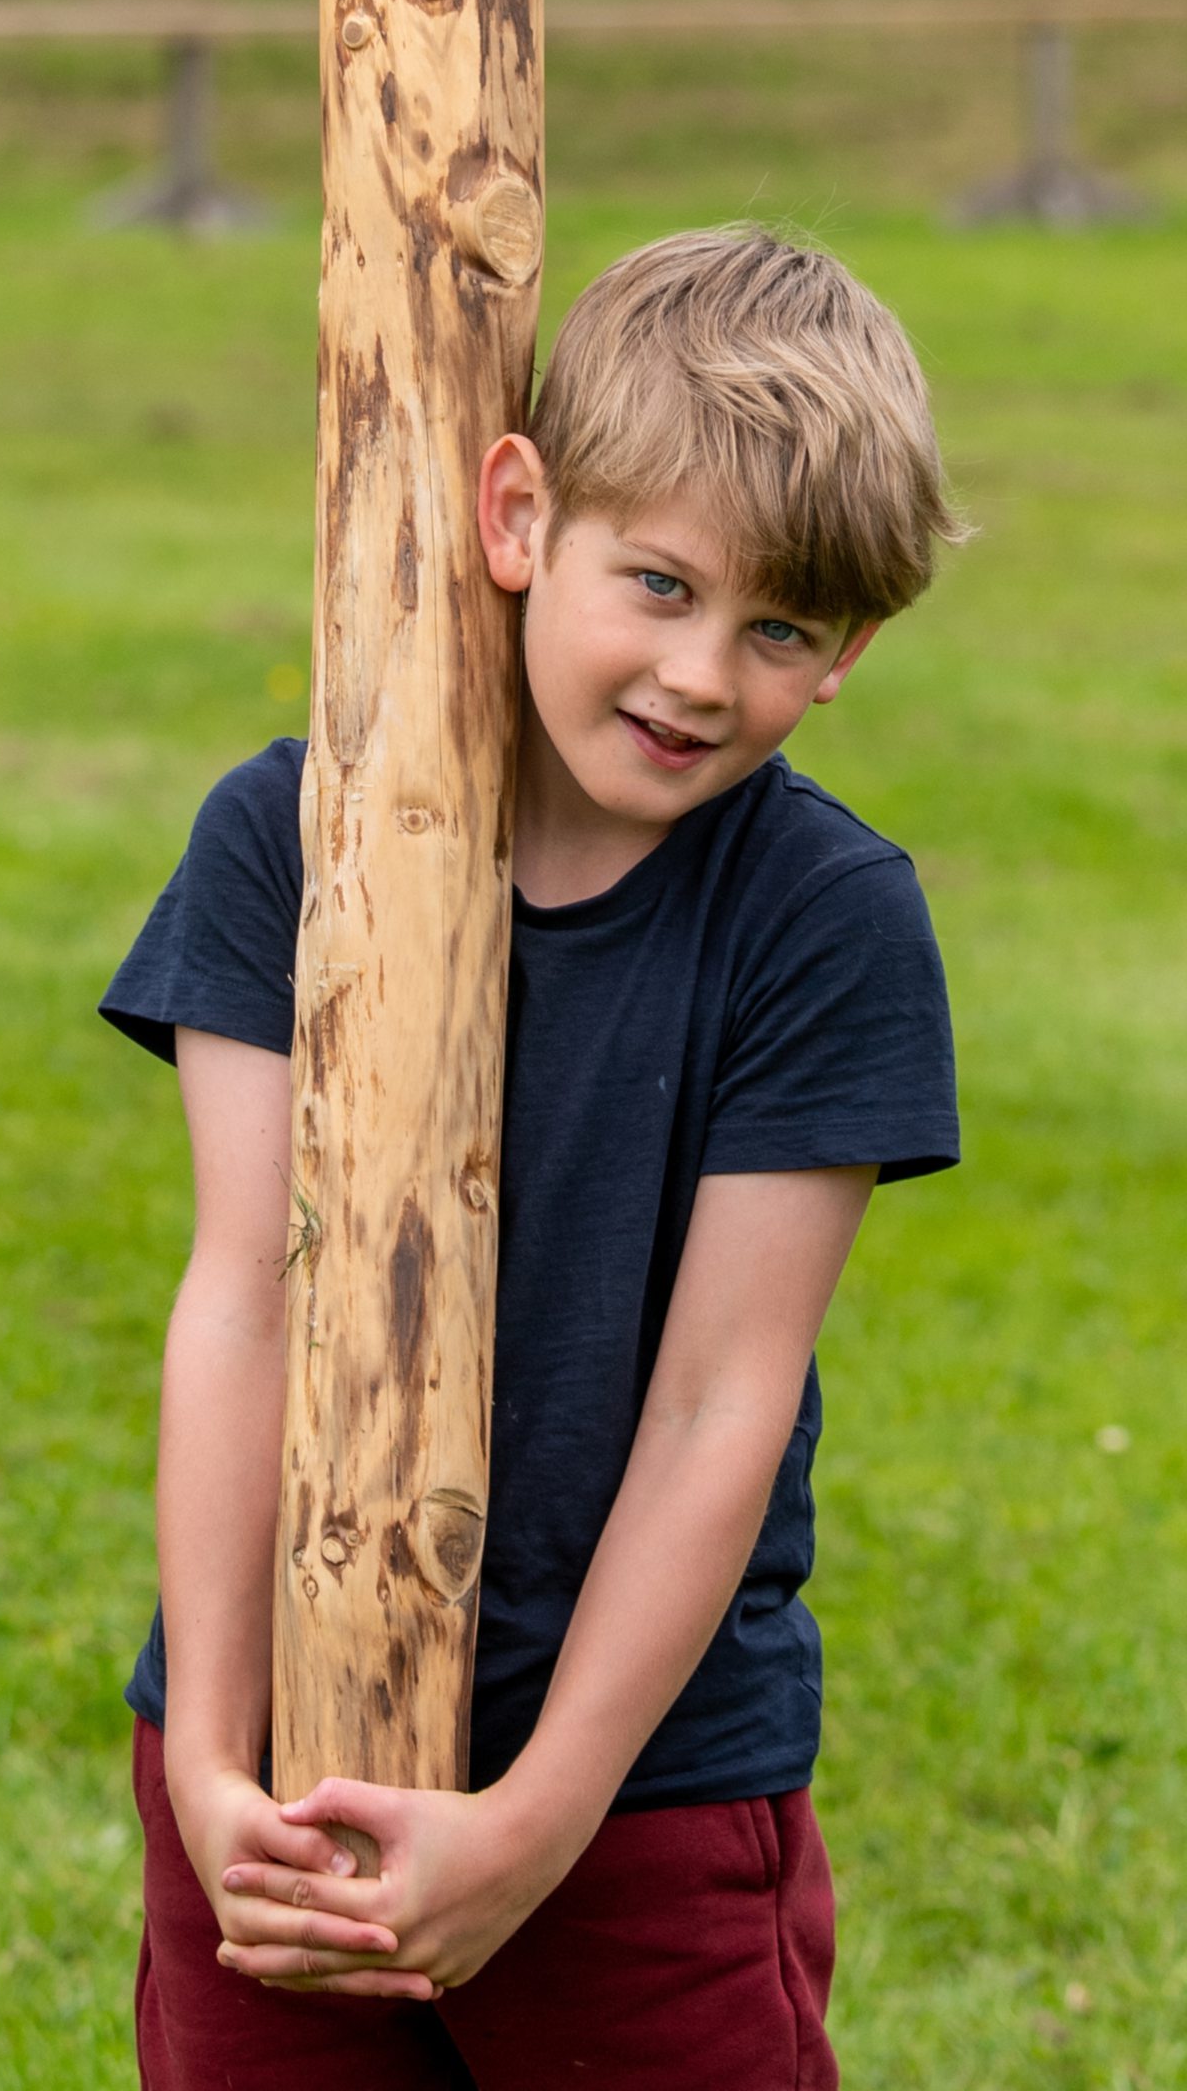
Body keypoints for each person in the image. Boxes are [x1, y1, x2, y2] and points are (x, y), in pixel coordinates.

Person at [100, 226, 966, 2090]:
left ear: (850, 654)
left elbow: (722, 1404)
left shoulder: (826, 921)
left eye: (780, 628)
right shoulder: (288, 840)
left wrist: (541, 1820)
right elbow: (240, 1295)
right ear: (520, 515)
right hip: (283, 1779)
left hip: (640, 1799)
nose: (698, 675)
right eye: (656, 582)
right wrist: (208, 1765)